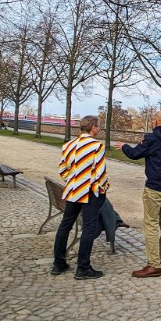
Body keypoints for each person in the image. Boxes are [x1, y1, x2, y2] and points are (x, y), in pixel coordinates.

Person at [115, 109, 161, 278]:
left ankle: (154, 264)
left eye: (153, 121)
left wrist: (123, 146)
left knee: (150, 224)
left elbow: (135, 154)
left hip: (155, 187)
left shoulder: (152, 138)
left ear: (156, 122)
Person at [51, 115, 109, 280]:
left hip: (72, 190)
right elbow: (100, 172)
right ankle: (83, 267)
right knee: (89, 227)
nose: (99, 129)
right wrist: (102, 188)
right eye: (98, 127)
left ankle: (58, 263)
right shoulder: (96, 146)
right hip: (90, 191)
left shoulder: (69, 145)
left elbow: (63, 169)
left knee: (65, 225)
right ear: (93, 128)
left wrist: (73, 181)